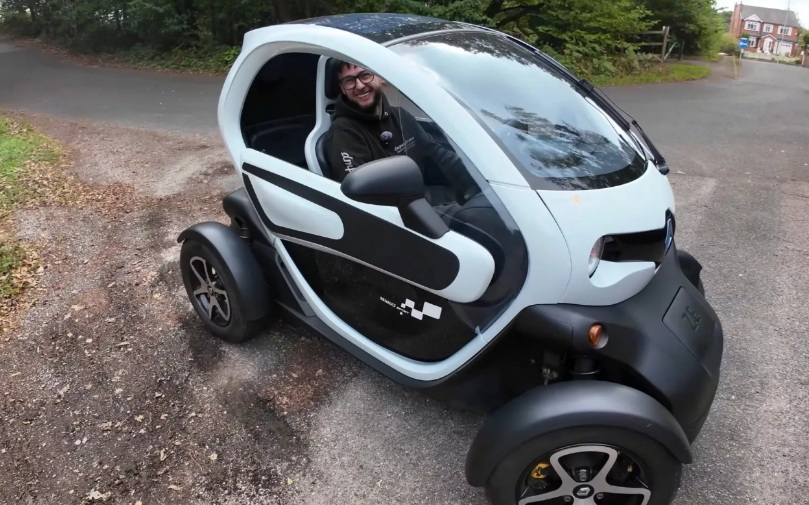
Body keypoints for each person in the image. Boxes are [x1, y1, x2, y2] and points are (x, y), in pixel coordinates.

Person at [323, 60, 477, 203]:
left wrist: (479, 179)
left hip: (427, 198)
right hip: (403, 212)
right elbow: (364, 197)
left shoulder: (400, 116)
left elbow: (438, 155)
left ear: (380, 76)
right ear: (342, 89)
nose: (359, 85)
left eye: (365, 75)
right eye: (349, 81)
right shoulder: (343, 133)